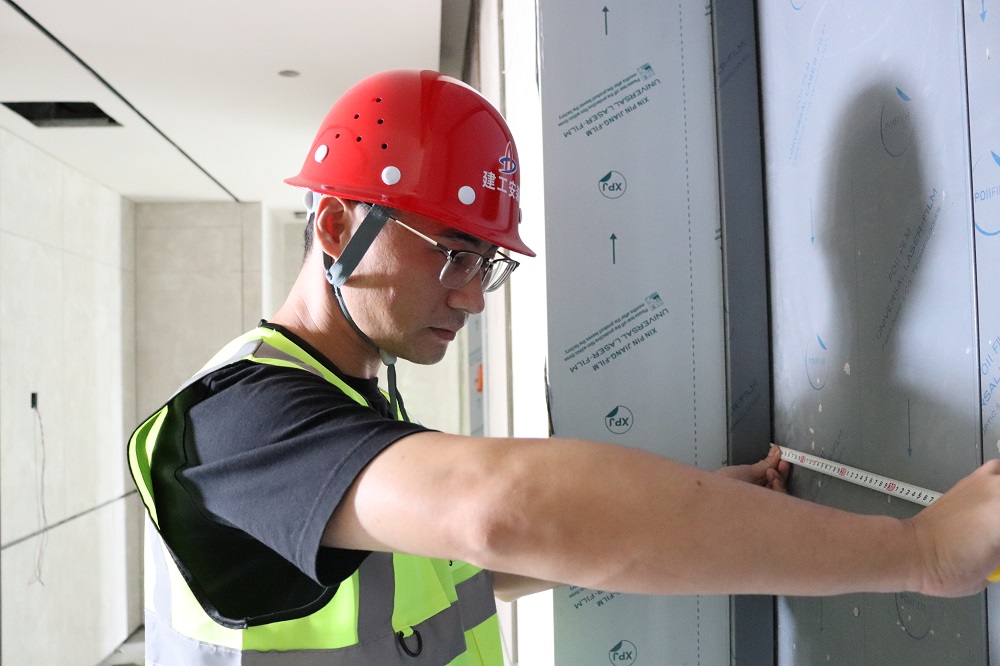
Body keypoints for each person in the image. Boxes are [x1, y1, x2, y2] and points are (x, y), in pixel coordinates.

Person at [128, 69, 1000, 665]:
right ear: (334, 228)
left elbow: (464, 572)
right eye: (453, 254)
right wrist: (918, 551)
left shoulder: (345, 408)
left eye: (487, 265)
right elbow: (501, 511)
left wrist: (704, 502)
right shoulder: (235, 424)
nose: (472, 299)